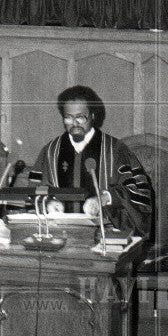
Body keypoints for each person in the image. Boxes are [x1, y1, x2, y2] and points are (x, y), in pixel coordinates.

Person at [33, 86, 152, 237]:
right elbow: (35, 190)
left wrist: (106, 198)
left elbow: (140, 195)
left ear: (93, 116)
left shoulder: (114, 149)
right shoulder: (51, 151)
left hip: (106, 233)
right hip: (59, 233)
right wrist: (48, 202)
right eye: (68, 117)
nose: (74, 124)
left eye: (80, 117)